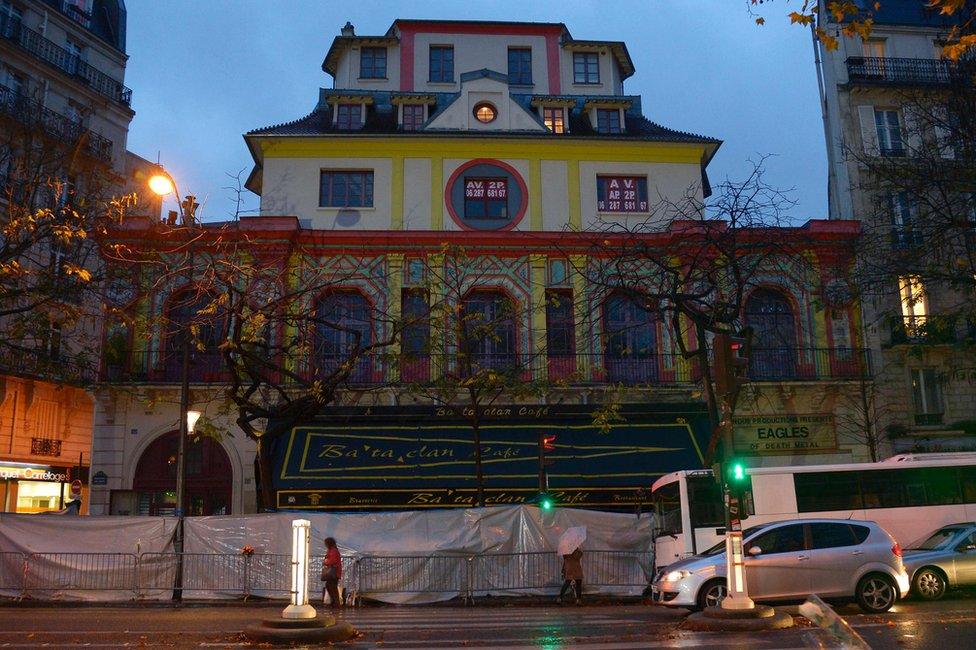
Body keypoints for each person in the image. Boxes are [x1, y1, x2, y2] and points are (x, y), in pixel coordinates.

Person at [321, 537, 342, 608]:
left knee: (332, 587)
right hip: (334, 571)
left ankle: (336, 603)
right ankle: (335, 602)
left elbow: (332, 560)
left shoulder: (333, 550)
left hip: (334, 572)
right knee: (330, 586)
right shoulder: (332, 550)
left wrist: (325, 561)